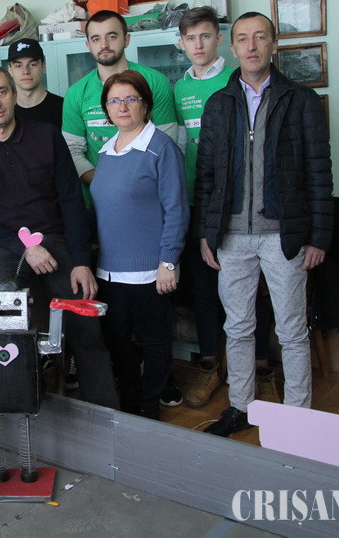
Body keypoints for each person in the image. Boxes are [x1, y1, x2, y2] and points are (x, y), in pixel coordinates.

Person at [197, 12, 333, 437]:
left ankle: (297, 417)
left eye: (260, 37)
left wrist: (319, 236)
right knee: (237, 327)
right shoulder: (219, 104)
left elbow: (319, 171)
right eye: (243, 38)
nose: (251, 46)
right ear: (232, 46)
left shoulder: (301, 100)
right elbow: (206, 175)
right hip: (231, 236)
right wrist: (206, 233)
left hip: (283, 235)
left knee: (291, 329)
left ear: (274, 44)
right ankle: (241, 407)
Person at [0, 65, 118, 410]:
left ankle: (106, 414)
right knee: (4, 325)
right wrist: (25, 247)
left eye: (2, 91)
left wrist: (81, 261)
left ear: (14, 95)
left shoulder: (46, 136)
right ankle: (16, 406)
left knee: (86, 323)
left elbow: (72, 201)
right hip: (4, 244)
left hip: (54, 239)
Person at [90, 70, 188, 419]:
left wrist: (168, 262)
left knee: (155, 343)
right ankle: (130, 404)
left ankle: (149, 406)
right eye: (114, 100)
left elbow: (177, 208)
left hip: (150, 272)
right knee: (118, 343)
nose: (123, 106)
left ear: (145, 104)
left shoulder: (161, 148)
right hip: (109, 272)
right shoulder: (106, 151)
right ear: (106, 108)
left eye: (130, 99)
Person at [172, 7, 236, 408]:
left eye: (206, 36)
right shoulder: (179, 89)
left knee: (245, 288)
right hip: (196, 202)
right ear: (182, 44)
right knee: (203, 289)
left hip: (235, 204)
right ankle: (211, 364)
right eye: (191, 38)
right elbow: (179, 145)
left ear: (219, 39)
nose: (199, 45)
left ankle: (258, 369)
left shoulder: (236, 79)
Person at [61, 10, 177, 194]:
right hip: (97, 198)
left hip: (148, 194)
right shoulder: (76, 93)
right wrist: (105, 185)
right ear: (88, 45)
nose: (104, 45)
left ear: (127, 39)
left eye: (112, 36)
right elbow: (72, 150)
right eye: (96, 39)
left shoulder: (155, 82)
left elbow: (167, 141)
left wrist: (133, 187)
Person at [7, 38, 63, 125]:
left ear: (43, 66)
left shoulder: (63, 107)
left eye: (32, 64)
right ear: (10, 69)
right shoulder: (4, 111)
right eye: (18, 66)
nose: (26, 71)